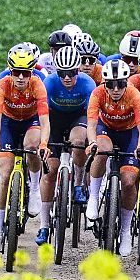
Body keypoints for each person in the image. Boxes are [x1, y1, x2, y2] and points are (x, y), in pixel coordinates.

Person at [0, 47, 52, 252]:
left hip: (31, 121)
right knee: (5, 174)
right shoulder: (3, 85)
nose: (21, 77)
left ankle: (33, 189)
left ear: (32, 70)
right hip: (8, 123)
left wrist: (44, 144)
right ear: (10, 70)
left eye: (26, 72)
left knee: (31, 146)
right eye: (17, 72)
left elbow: (44, 120)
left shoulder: (38, 85)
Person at [85, 60, 140, 257]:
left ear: (126, 83)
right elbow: (91, 124)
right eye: (110, 84)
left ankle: (125, 230)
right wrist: (92, 142)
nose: (115, 89)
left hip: (130, 135)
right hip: (106, 130)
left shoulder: (133, 94)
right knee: (102, 148)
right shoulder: (97, 93)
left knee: (129, 182)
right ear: (104, 83)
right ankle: (94, 198)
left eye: (120, 83)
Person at [36, 46, 94, 245]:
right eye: (62, 73)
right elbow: (42, 117)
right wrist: (44, 141)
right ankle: (44, 225)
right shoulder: (49, 83)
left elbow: (92, 116)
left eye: (71, 73)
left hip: (78, 117)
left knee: (78, 141)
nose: (67, 78)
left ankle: (78, 184)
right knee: (50, 171)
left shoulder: (88, 84)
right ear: (56, 72)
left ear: (78, 70)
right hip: (55, 119)